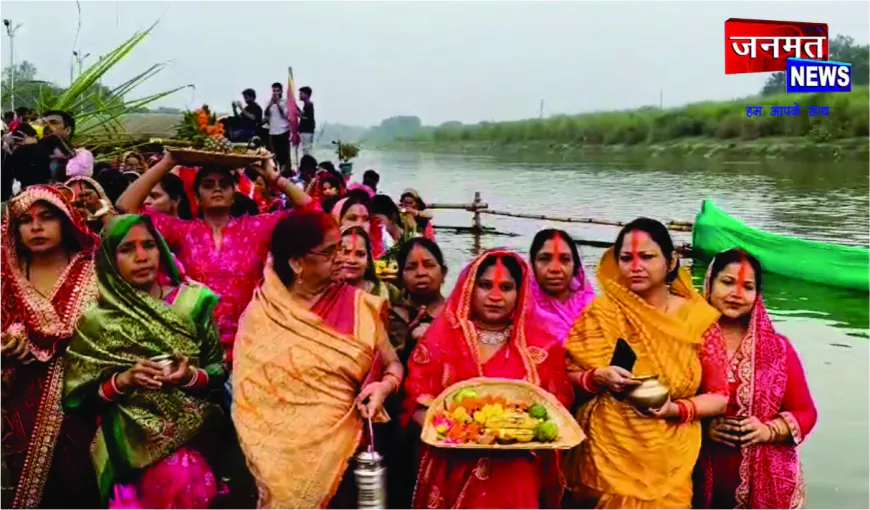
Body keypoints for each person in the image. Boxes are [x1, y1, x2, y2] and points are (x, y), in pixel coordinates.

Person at [232, 208, 403, 508]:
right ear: (297, 263)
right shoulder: (263, 315)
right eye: (329, 251)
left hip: (347, 453)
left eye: (340, 247)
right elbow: (249, 397)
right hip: (274, 458)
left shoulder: (359, 305)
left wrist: (384, 388)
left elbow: (393, 364)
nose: (341, 258)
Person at [63, 214, 231, 508]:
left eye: (149, 245)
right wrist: (123, 381)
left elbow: (217, 371)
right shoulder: (97, 322)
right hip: (127, 452)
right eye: (127, 249)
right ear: (108, 259)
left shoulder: (192, 303)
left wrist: (190, 376)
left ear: (161, 250)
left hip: (194, 443)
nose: (141, 257)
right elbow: (78, 400)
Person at [563, 217, 729, 509]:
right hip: (606, 449)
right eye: (626, 258)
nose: (635, 266)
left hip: (670, 455)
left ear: (671, 260)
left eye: (647, 257)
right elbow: (564, 379)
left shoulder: (697, 318)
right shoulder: (601, 313)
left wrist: (674, 409)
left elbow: (719, 398)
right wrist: (596, 377)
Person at [402, 249, 574, 509]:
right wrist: (454, 433)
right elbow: (416, 401)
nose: (495, 297)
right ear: (469, 287)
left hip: (518, 468)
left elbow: (555, 410)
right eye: (485, 286)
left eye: (506, 287)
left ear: (520, 293)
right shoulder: (441, 340)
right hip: (453, 462)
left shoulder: (542, 347)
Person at [115, 152, 309, 362]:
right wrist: (169, 161)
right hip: (194, 344)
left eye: (224, 184)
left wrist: (273, 176)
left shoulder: (256, 228)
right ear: (196, 197)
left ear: (234, 194)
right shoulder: (182, 232)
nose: (216, 188)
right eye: (208, 185)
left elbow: (311, 212)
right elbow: (126, 206)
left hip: (250, 343)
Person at [1, 185, 102, 508]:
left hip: (86, 404)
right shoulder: (7, 276)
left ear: (67, 221)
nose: (36, 227)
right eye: (26, 220)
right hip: (18, 407)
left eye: (47, 217)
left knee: (83, 486)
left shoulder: (95, 271)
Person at [694, 249, 817, 509]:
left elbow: (805, 412)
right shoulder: (686, 342)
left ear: (757, 295)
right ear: (709, 283)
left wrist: (766, 430)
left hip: (765, 482)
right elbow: (664, 405)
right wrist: (704, 428)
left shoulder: (778, 349)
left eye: (747, 287)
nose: (737, 294)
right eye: (727, 282)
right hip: (694, 473)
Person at [529, 229, 596, 345]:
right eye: (544, 259)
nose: (555, 269)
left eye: (565, 259)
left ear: (575, 265)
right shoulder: (520, 307)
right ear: (532, 265)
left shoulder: (593, 309)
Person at [337, 225, 398, 301]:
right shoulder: (324, 293)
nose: (352, 260)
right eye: (346, 252)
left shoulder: (387, 292)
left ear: (368, 260)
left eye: (360, 254)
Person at [264, 82, 291, 170]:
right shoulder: (269, 102)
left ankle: (286, 170)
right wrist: (271, 104)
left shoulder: (285, 102)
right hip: (273, 131)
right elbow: (266, 114)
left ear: (281, 91)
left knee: (284, 153)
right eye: (274, 91)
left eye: (277, 91)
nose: (275, 93)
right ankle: (276, 169)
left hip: (283, 130)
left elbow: (284, 114)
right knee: (275, 153)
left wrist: (278, 103)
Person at [298, 86, 315, 155]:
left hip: (307, 130)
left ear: (306, 95)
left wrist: (300, 115)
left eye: (301, 93)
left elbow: (307, 118)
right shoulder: (306, 105)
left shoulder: (309, 105)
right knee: (305, 148)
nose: (300, 95)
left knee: (306, 149)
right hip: (305, 131)